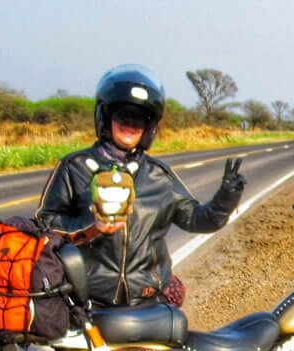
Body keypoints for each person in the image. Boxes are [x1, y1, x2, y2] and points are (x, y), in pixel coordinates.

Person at [36, 64, 246, 307]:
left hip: (149, 299)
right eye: (122, 114)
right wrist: (92, 228)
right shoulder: (75, 167)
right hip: (87, 301)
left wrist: (226, 198)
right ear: (106, 117)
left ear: (149, 127)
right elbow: (45, 227)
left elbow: (199, 219)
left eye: (139, 118)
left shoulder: (159, 176)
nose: (130, 123)